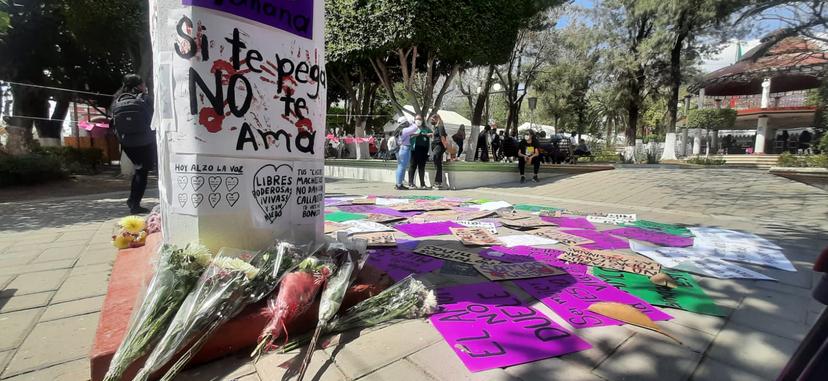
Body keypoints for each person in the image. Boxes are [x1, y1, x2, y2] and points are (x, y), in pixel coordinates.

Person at [110, 74, 155, 214]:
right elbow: (154, 117)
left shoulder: (117, 100)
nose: (144, 86)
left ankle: (133, 200)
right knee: (142, 171)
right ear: (139, 85)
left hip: (127, 142)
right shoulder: (144, 98)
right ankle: (134, 204)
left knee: (139, 169)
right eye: (143, 84)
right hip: (145, 140)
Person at [394, 116, 420, 190]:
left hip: (402, 148)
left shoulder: (401, 130)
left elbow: (410, 135)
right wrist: (412, 122)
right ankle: (399, 184)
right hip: (404, 149)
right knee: (402, 167)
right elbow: (415, 128)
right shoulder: (405, 130)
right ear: (404, 123)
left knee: (401, 167)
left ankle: (399, 183)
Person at [408, 115, 432, 189]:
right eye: (417, 119)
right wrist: (415, 134)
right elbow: (407, 135)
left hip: (424, 149)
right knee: (413, 166)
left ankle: (422, 184)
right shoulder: (411, 128)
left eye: (420, 119)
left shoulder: (426, 128)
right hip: (414, 149)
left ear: (422, 120)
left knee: (422, 167)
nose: (418, 120)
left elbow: (432, 134)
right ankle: (411, 183)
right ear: (414, 120)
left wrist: (427, 134)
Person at [430, 114, 449, 189]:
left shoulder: (440, 126)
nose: (432, 121)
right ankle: (438, 182)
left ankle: (438, 182)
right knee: (437, 163)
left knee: (437, 163)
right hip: (436, 146)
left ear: (437, 119)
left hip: (439, 146)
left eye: (432, 119)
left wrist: (446, 148)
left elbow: (442, 137)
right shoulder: (436, 127)